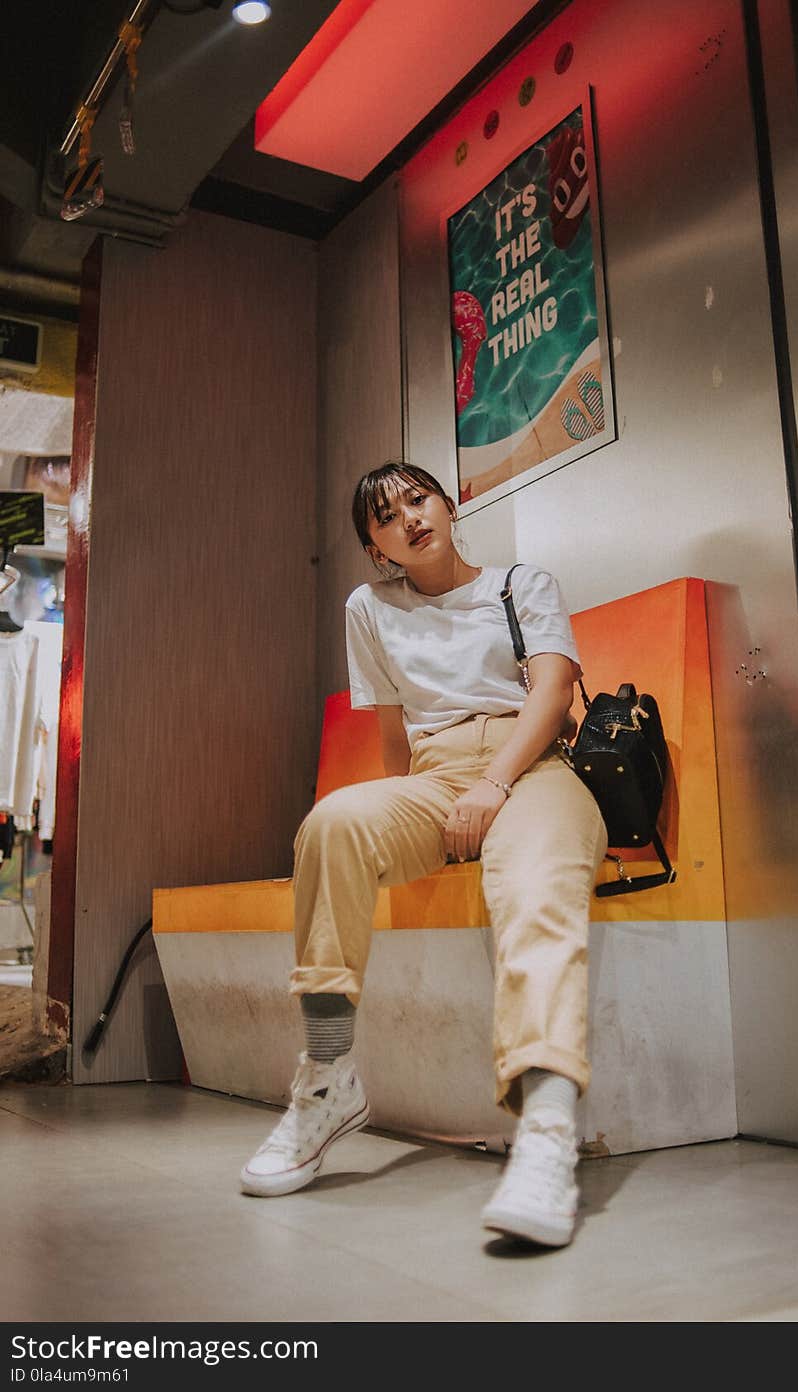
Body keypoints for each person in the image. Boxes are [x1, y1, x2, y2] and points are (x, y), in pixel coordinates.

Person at [240, 462, 607, 1247]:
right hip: (440, 778)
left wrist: (495, 788)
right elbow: (393, 740)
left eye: (417, 498)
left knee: (536, 880)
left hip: (532, 767)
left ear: (447, 503)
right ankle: (328, 1077)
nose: (408, 518)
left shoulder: (520, 584)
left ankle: (546, 1129)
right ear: (375, 547)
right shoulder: (369, 609)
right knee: (333, 823)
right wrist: (406, 821)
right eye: (385, 516)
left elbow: (549, 693)